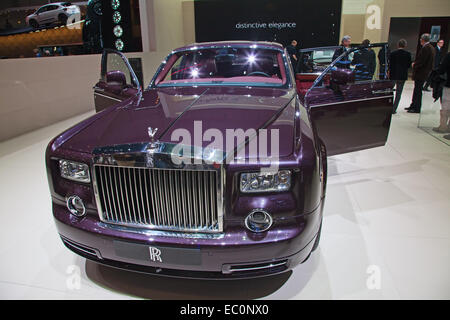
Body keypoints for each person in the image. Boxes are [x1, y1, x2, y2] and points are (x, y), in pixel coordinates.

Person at [406, 34, 436, 113]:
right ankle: (413, 105)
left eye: (421, 39)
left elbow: (422, 61)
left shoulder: (426, 48)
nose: (420, 41)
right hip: (424, 73)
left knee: (418, 91)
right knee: (417, 90)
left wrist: (414, 64)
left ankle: (416, 108)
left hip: (421, 73)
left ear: (423, 40)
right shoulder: (431, 48)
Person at [389, 39, 412, 113]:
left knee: (389, 91)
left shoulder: (393, 53)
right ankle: (394, 109)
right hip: (402, 76)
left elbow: (390, 64)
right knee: (399, 93)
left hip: (393, 74)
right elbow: (409, 65)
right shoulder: (408, 54)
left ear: (398, 45)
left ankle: (387, 106)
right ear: (405, 45)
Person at [432, 51, 450, 135]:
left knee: (446, 106)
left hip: (449, 85)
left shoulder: (449, 55)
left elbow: (442, 69)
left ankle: (443, 126)